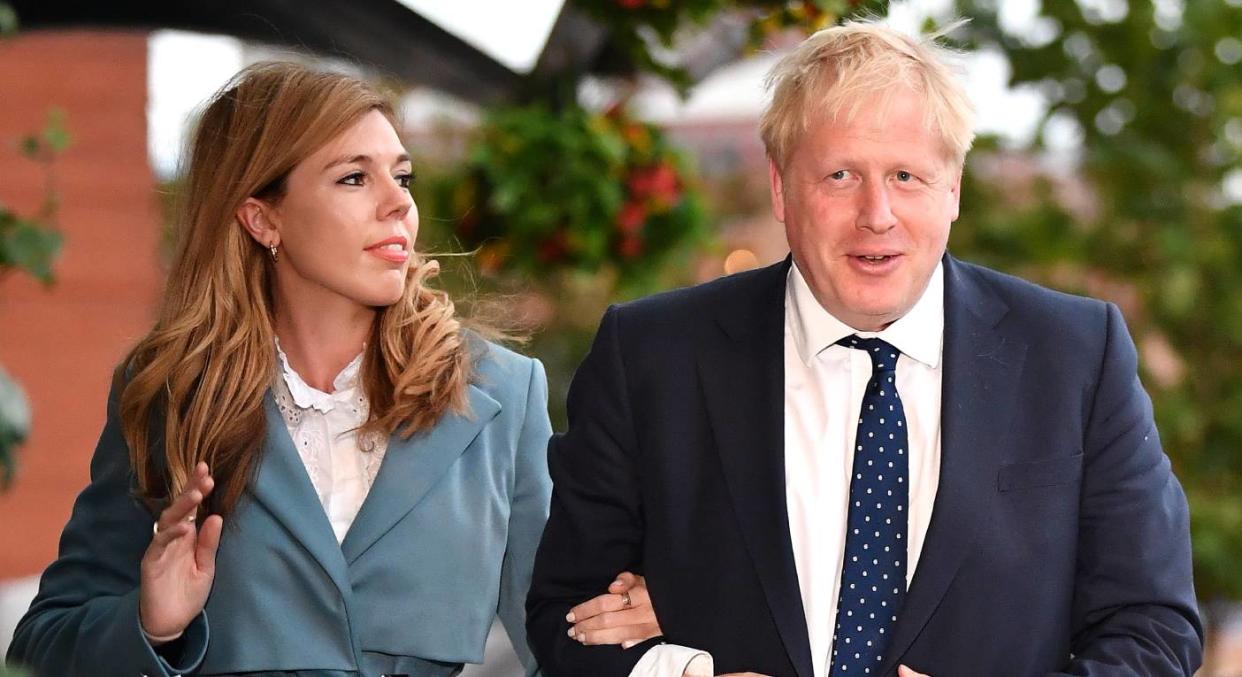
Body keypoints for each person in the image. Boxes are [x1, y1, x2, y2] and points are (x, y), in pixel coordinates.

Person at [526, 19, 1203, 677]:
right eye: (840, 176)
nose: (876, 213)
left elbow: (1153, 626)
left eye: (906, 176)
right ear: (780, 187)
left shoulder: (1076, 356)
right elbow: (564, 614)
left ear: (954, 188)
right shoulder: (651, 356)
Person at [8, 61, 569, 677]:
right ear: (262, 218)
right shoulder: (174, 392)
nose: (399, 205)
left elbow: (565, 639)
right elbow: (44, 643)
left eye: (402, 177)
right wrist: (150, 626)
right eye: (355, 178)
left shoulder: (501, 394)